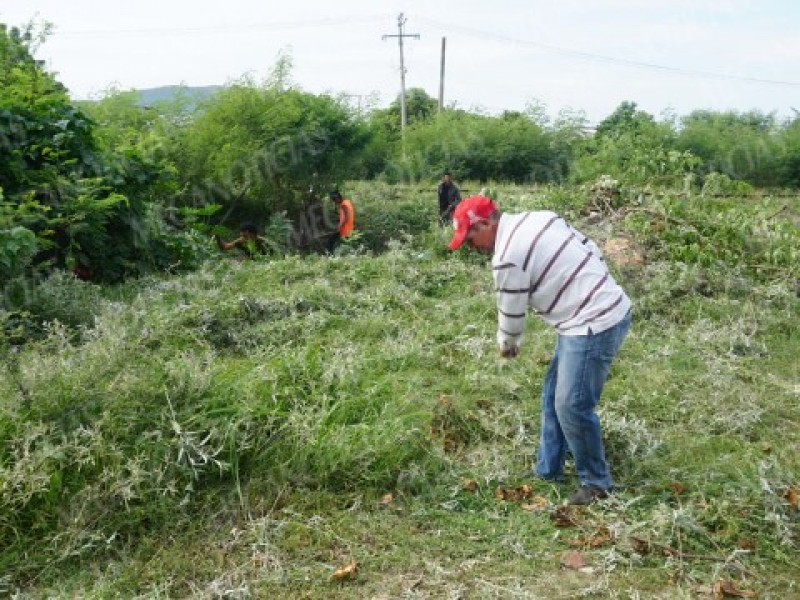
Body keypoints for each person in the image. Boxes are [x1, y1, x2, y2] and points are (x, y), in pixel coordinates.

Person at [448, 195, 632, 505]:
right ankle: (549, 469)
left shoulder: (507, 255)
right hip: (590, 312)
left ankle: (597, 484)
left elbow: (511, 314)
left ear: (485, 224)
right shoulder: (538, 217)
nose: (470, 246)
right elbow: (589, 246)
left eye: (470, 238)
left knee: (571, 405)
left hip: (593, 322)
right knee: (552, 392)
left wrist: (508, 347)